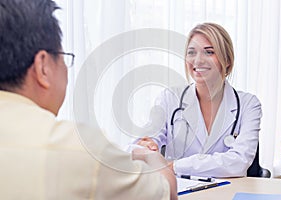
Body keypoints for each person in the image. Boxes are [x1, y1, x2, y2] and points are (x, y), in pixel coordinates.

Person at [0, 0, 177, 199]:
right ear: (43, 67)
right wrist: (149, 156)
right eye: (63, 56)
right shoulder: (78, 148)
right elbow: (167, 192)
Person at [137, 23, 262, 178]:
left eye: (209, 52)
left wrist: (173, 165)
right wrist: (145, 147)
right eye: (191, 52)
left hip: (227, 193)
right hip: (179, 192)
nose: (198, 60)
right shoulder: (170, 98)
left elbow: (239, 162)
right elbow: (140, 144)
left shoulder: (248, 104)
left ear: (227, 60)